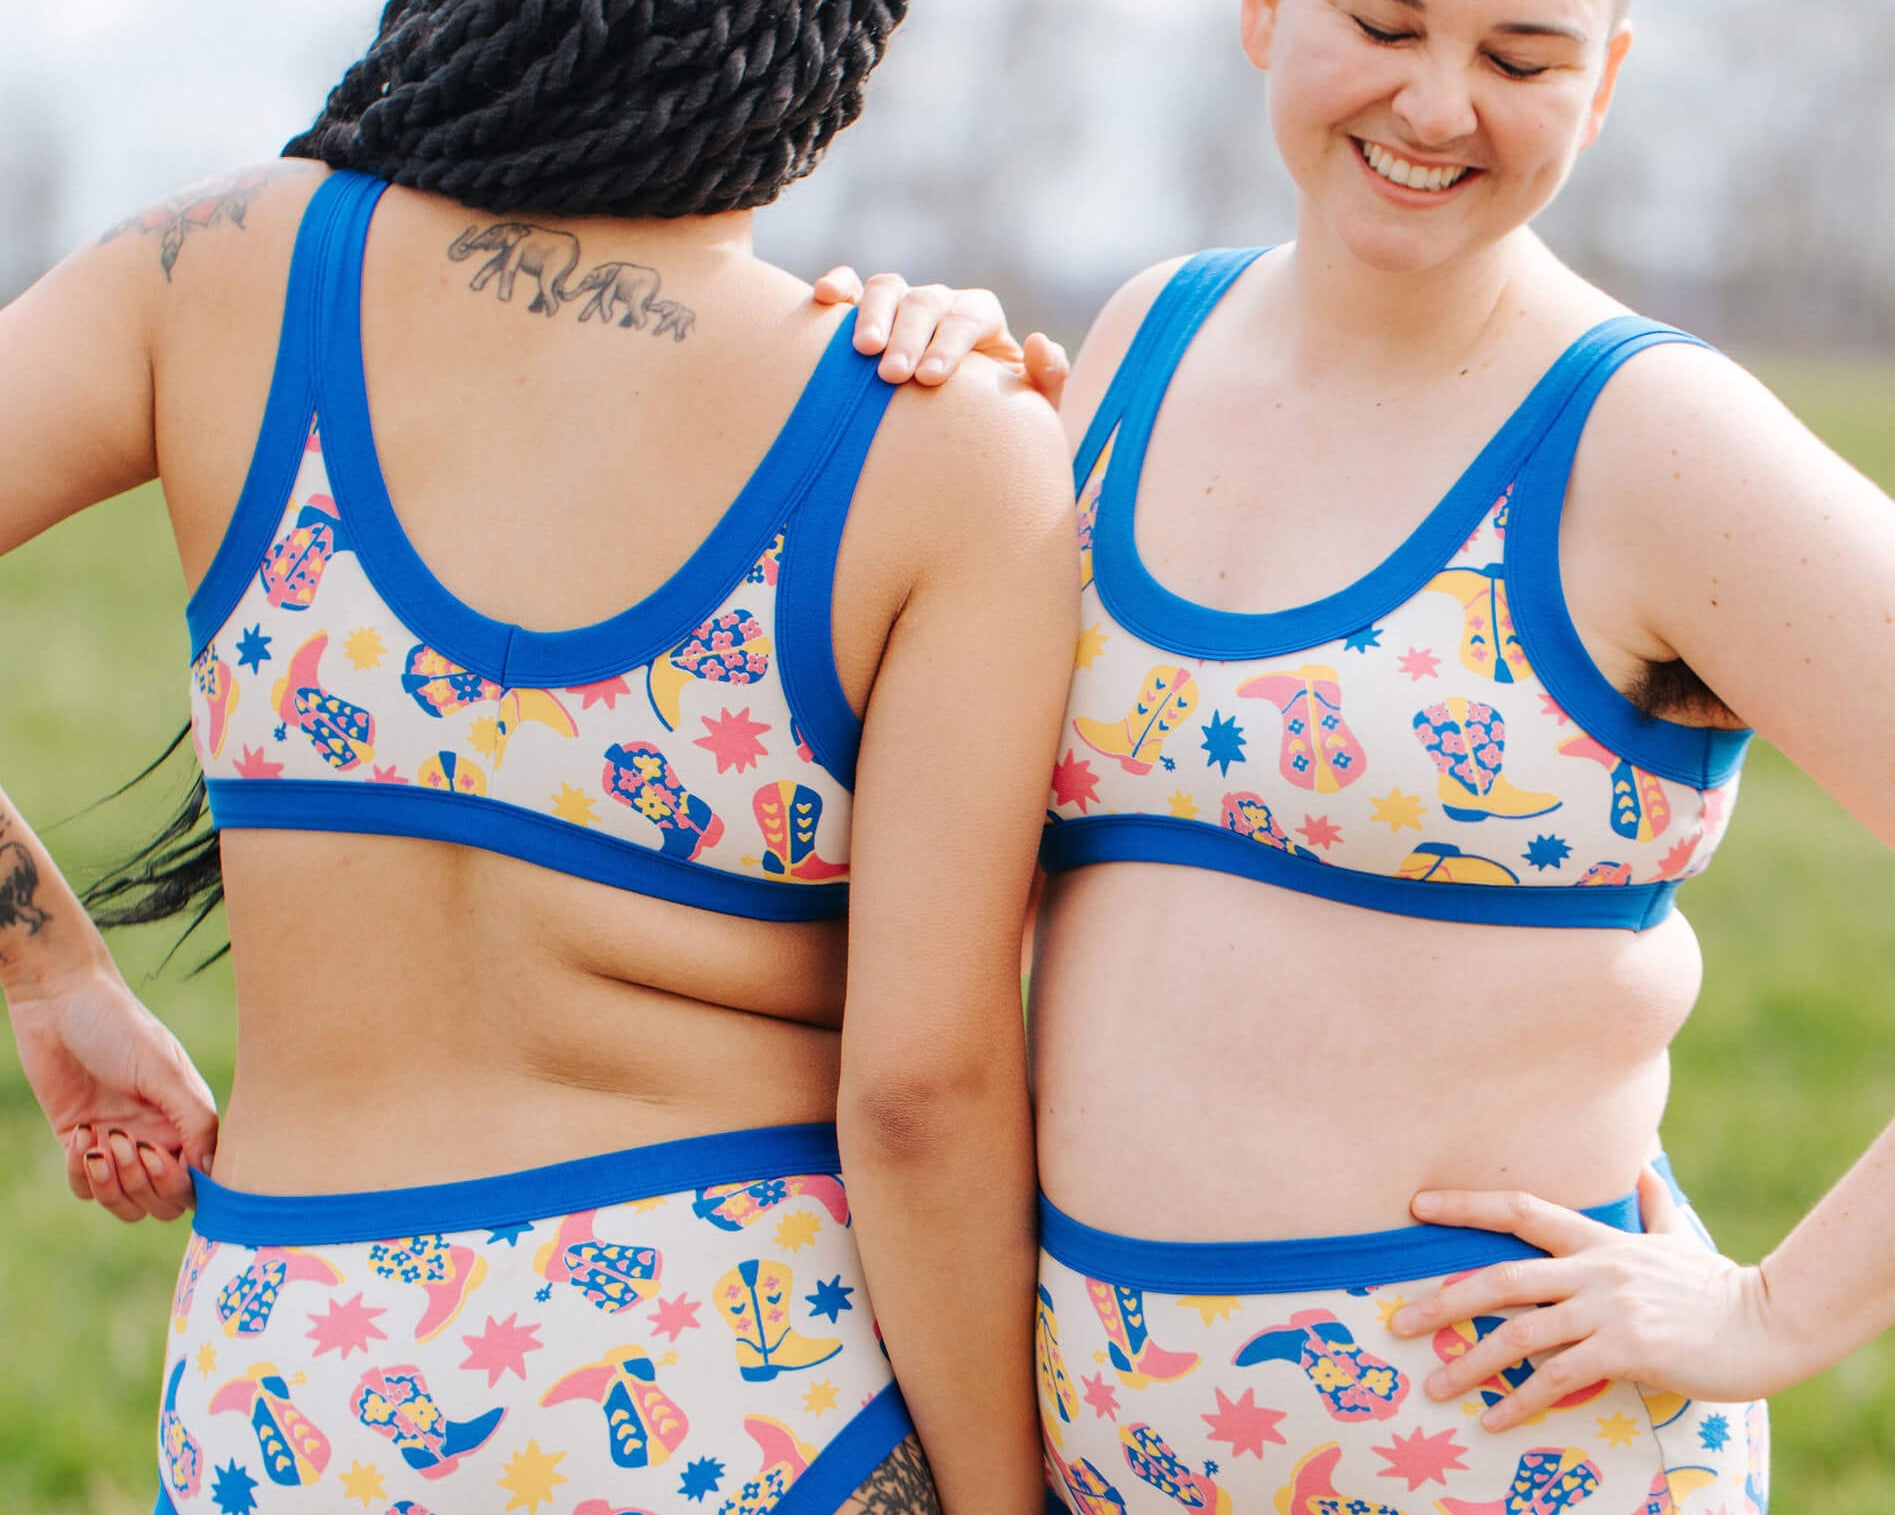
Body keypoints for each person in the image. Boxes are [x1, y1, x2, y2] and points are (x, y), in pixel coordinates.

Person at [0, 3, 1079, 1511]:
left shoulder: (217, 271)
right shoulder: (938, 444)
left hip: (292, 1385)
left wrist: (51, 974)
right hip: (734, 1392)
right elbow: (920, 1101)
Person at [820, 0, 1895, 1509]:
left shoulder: (1654, 439)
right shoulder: (1139, 341)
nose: (1440, 106)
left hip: (1493, 1450)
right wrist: (908, 394)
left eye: (1522, 61)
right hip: (1101, 1440)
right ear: (1264, 14)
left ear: (1607, 83)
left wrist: (1776, 1314)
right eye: (1386, 24)